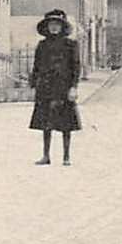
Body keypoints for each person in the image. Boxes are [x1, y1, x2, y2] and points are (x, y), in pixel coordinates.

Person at [29, 9, 82, 166]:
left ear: (62, 26)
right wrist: (34, 83)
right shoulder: (42, 45)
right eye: (51, 24)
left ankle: (66, 156)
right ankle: (46, 155)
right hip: (45, 88)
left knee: (66, 124)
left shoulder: (71, 45)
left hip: (63, 87)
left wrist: (73, 87)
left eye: (57, 24)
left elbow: (76, 66)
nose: (53, 27)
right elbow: (36, 66)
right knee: (46, 123)